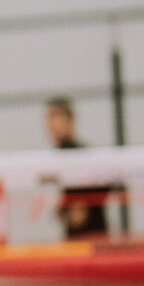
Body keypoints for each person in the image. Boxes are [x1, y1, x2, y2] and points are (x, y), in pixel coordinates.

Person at [45, 97, 109, 240]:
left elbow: (107, 180)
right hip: (77, 234)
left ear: (70, 120)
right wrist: (63, 208)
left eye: (56, 116)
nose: (51, 123)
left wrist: (83, 205)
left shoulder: (80, 152)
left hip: (92, 234)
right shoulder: (62, 153)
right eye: (49, 117)